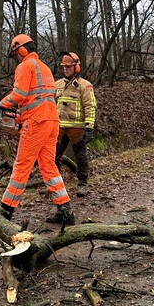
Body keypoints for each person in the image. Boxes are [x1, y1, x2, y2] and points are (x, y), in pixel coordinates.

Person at [0, 34, 76, 228]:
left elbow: (20, 93)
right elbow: (34, 97)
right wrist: (19, 115)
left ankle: (5, 210)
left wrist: (1, 104)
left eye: (16, 53)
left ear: (22, 49)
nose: (16, 57)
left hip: (37, 121)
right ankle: (66, 210)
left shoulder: (25, 66)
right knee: (49, 166)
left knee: (22, 165)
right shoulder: (44, 67)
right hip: (51, 120)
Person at [54, 52, 97, 197]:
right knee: (53, 157)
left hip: (77, 128)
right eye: (64, 67)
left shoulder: (85, 86)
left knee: (80, 156)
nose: (66, 69)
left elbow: (90, 106)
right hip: (59, 128)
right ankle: (56, 185)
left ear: (76, 67)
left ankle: (82, 184)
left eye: (69, 67)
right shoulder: (57, 85)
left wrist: (89, 127)